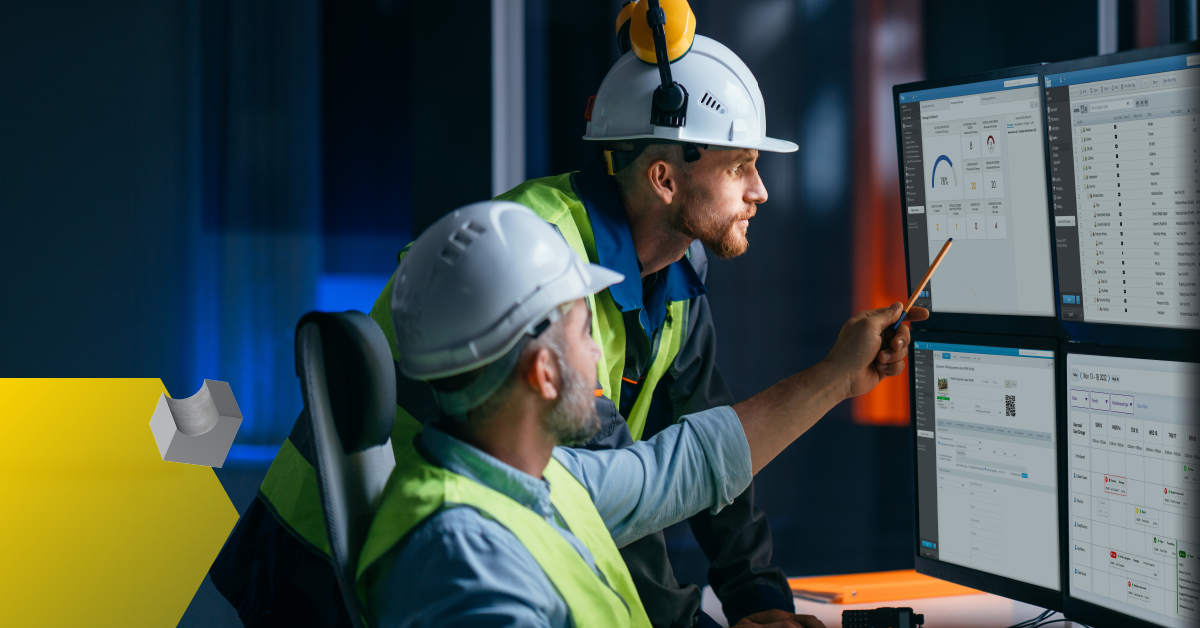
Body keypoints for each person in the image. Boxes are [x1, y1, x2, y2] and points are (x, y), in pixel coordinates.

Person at [210, 3, 904, 626]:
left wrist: (757, 602)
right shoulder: (532, 259)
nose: (760, 191)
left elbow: (701, 447)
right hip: (337, 558)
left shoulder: (675, 270)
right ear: (663, 178)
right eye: (739, 166)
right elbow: (617, 494)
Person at [361, 201, 923, 627]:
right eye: (586, 331)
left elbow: (681, 468)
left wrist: (837, 377)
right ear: (544, 373)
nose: (601, 353)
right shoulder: (463, 560)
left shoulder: (532, 478)